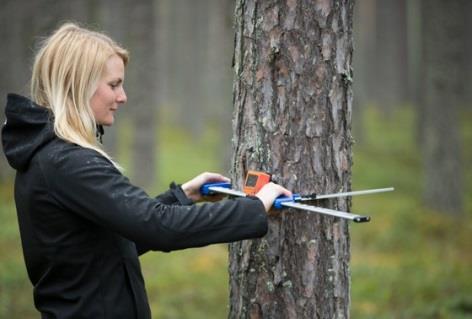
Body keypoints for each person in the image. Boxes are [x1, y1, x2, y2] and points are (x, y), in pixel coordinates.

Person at [1, 23, 291, 319]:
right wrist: (255, 207)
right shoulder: (66, 163)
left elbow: (104, 245)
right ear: (78, 85)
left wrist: (182, 197)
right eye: (113, 85)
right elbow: (159, 227)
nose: (123, 96)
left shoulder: (52, 159)